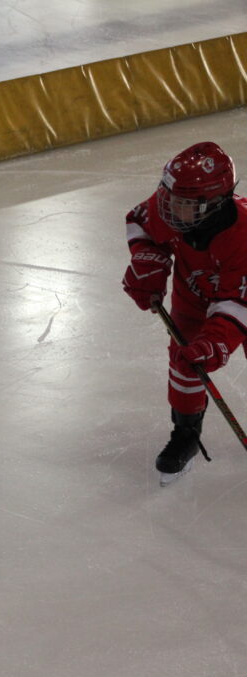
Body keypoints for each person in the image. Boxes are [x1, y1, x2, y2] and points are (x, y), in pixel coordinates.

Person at [122, 141, 247, 485]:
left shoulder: (244, 237)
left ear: (214, 204)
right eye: (170, 197)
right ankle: (186, 434)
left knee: (204, 350)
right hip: (193, 294)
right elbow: (141, 221)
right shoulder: (176, 207)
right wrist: (148, 262)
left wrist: (213, 343)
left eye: (183, 203)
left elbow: (236, 305)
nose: (170, 207)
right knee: (184, 360)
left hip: (241, 298)